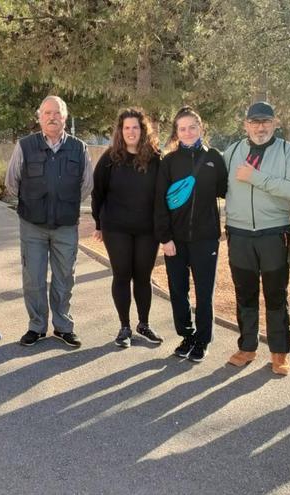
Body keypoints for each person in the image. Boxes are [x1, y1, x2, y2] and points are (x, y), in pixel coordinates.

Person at [5, 95, 94, 348]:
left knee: (65, 276)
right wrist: (33, 203)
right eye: (47, 113)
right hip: (32, 225)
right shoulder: (25, 146)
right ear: (39, 117)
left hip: (66, 225)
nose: (52, 117)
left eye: (57, 113)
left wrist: (66, 202)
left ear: (64, 117)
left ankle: (63, 326)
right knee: (33, 277)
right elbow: (12, 183)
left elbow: (87, 185)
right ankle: (36, 326)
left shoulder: (79, 148)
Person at [223, 101, 290, 375]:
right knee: (244, 294)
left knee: (276, 295)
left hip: (273, 234)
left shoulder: (288, 151)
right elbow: (219, 187)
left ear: (275, 123)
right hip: (239, 234)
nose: (260, 127)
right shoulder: (232, 151)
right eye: (254, 122)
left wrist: (256, 177)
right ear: (245, 124)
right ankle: (247, 347)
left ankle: (279, 353)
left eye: (265, 122)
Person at [154, 106, 228, 362]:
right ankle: (186, 335)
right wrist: (165, 238)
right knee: (178, 290)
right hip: (175, 240)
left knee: (204, 292)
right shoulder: (169, 161)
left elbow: (224, 190)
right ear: (176, 132)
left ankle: (203, 340)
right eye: (182, 128)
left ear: (201, 128)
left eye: (192, 127)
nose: (187, 132)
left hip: (206, 238)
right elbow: (159, 201)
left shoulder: (214, 158)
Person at [91, 107, 163, 348]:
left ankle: (144, 324)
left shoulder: (155, 158)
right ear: (120, 131)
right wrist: (99, 224)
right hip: (116, 228)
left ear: (143, 130)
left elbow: (162, 196)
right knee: (122, 275)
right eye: (127, 128)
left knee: (143, 277)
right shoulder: (110, 158)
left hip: (147, 230)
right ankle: (125, 327)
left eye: (135, 127)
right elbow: (97, 193)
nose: (131, 132)